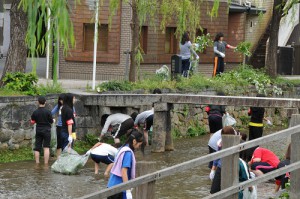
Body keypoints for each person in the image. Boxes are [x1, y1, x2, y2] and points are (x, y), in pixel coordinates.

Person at [210, 126, 255, 198]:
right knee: (214, 191)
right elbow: (217, 156)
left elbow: (243, 159)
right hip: (221, 166)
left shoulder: (238, 142)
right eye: (223, 136)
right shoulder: (220, 143)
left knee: (234, 189)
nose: (224, 138)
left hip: (234, 166)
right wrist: (213, 169)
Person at [107, 129, 144, 199]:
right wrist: (127, 190)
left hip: (111, 186)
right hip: (119, 189)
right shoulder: (128, 153)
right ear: (134, 141)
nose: (139, 147)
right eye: (139, 145)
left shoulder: (122, 148)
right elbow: (124, 171)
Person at [247, 94, 272, 161]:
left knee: (250, 141)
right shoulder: (262, 108)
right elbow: (260, 116)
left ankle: (249, 157)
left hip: (252, 124)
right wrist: (266, 120)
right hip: (258, 126)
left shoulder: (252, 106)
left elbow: (249, 113)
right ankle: (255, 156)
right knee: (256, 143)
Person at [30, 96, 54, 165]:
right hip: (47, 131)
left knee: (37, 148)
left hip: (38, 130)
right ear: (45, 102)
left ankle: (37, 163)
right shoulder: (48, 112)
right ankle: (46, 164)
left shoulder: (35, 112)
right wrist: (53, 120)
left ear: (38, 102)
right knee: (46, 147)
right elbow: (51, 121)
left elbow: (32, 122)